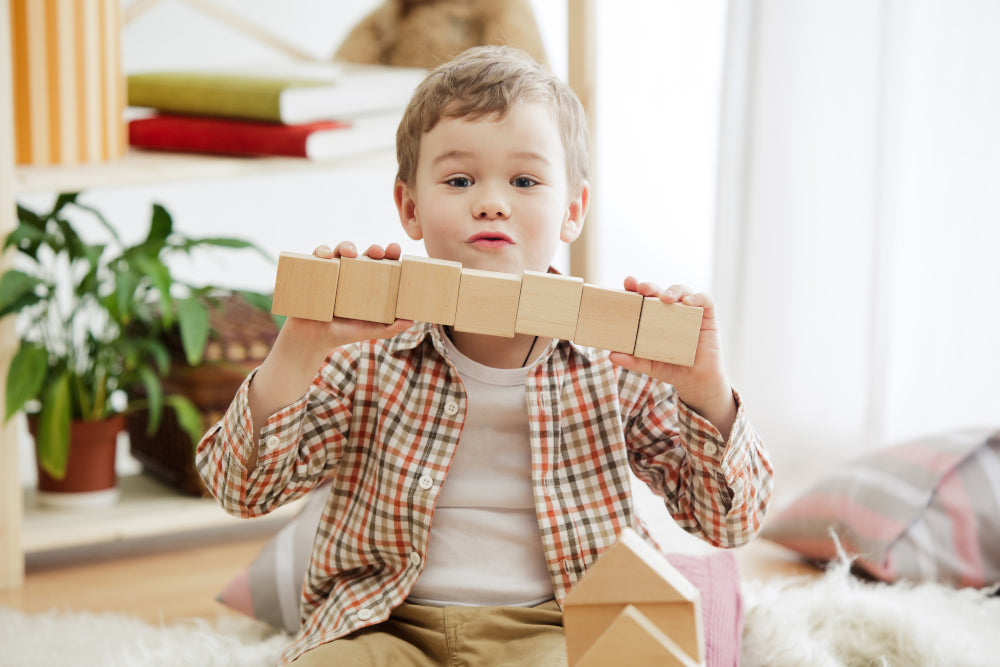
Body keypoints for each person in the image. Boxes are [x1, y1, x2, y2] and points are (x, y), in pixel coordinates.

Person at [196, 45, 773, 666]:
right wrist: (299, 348)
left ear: (573, 210)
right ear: (410, 208)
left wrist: (706, 393)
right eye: (459, 180)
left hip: (557, 627)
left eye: (524, 181)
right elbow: (241, 490)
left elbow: (727, 524)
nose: (491, 202)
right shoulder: (362, 353)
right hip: (386, 625)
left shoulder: (617, 362)